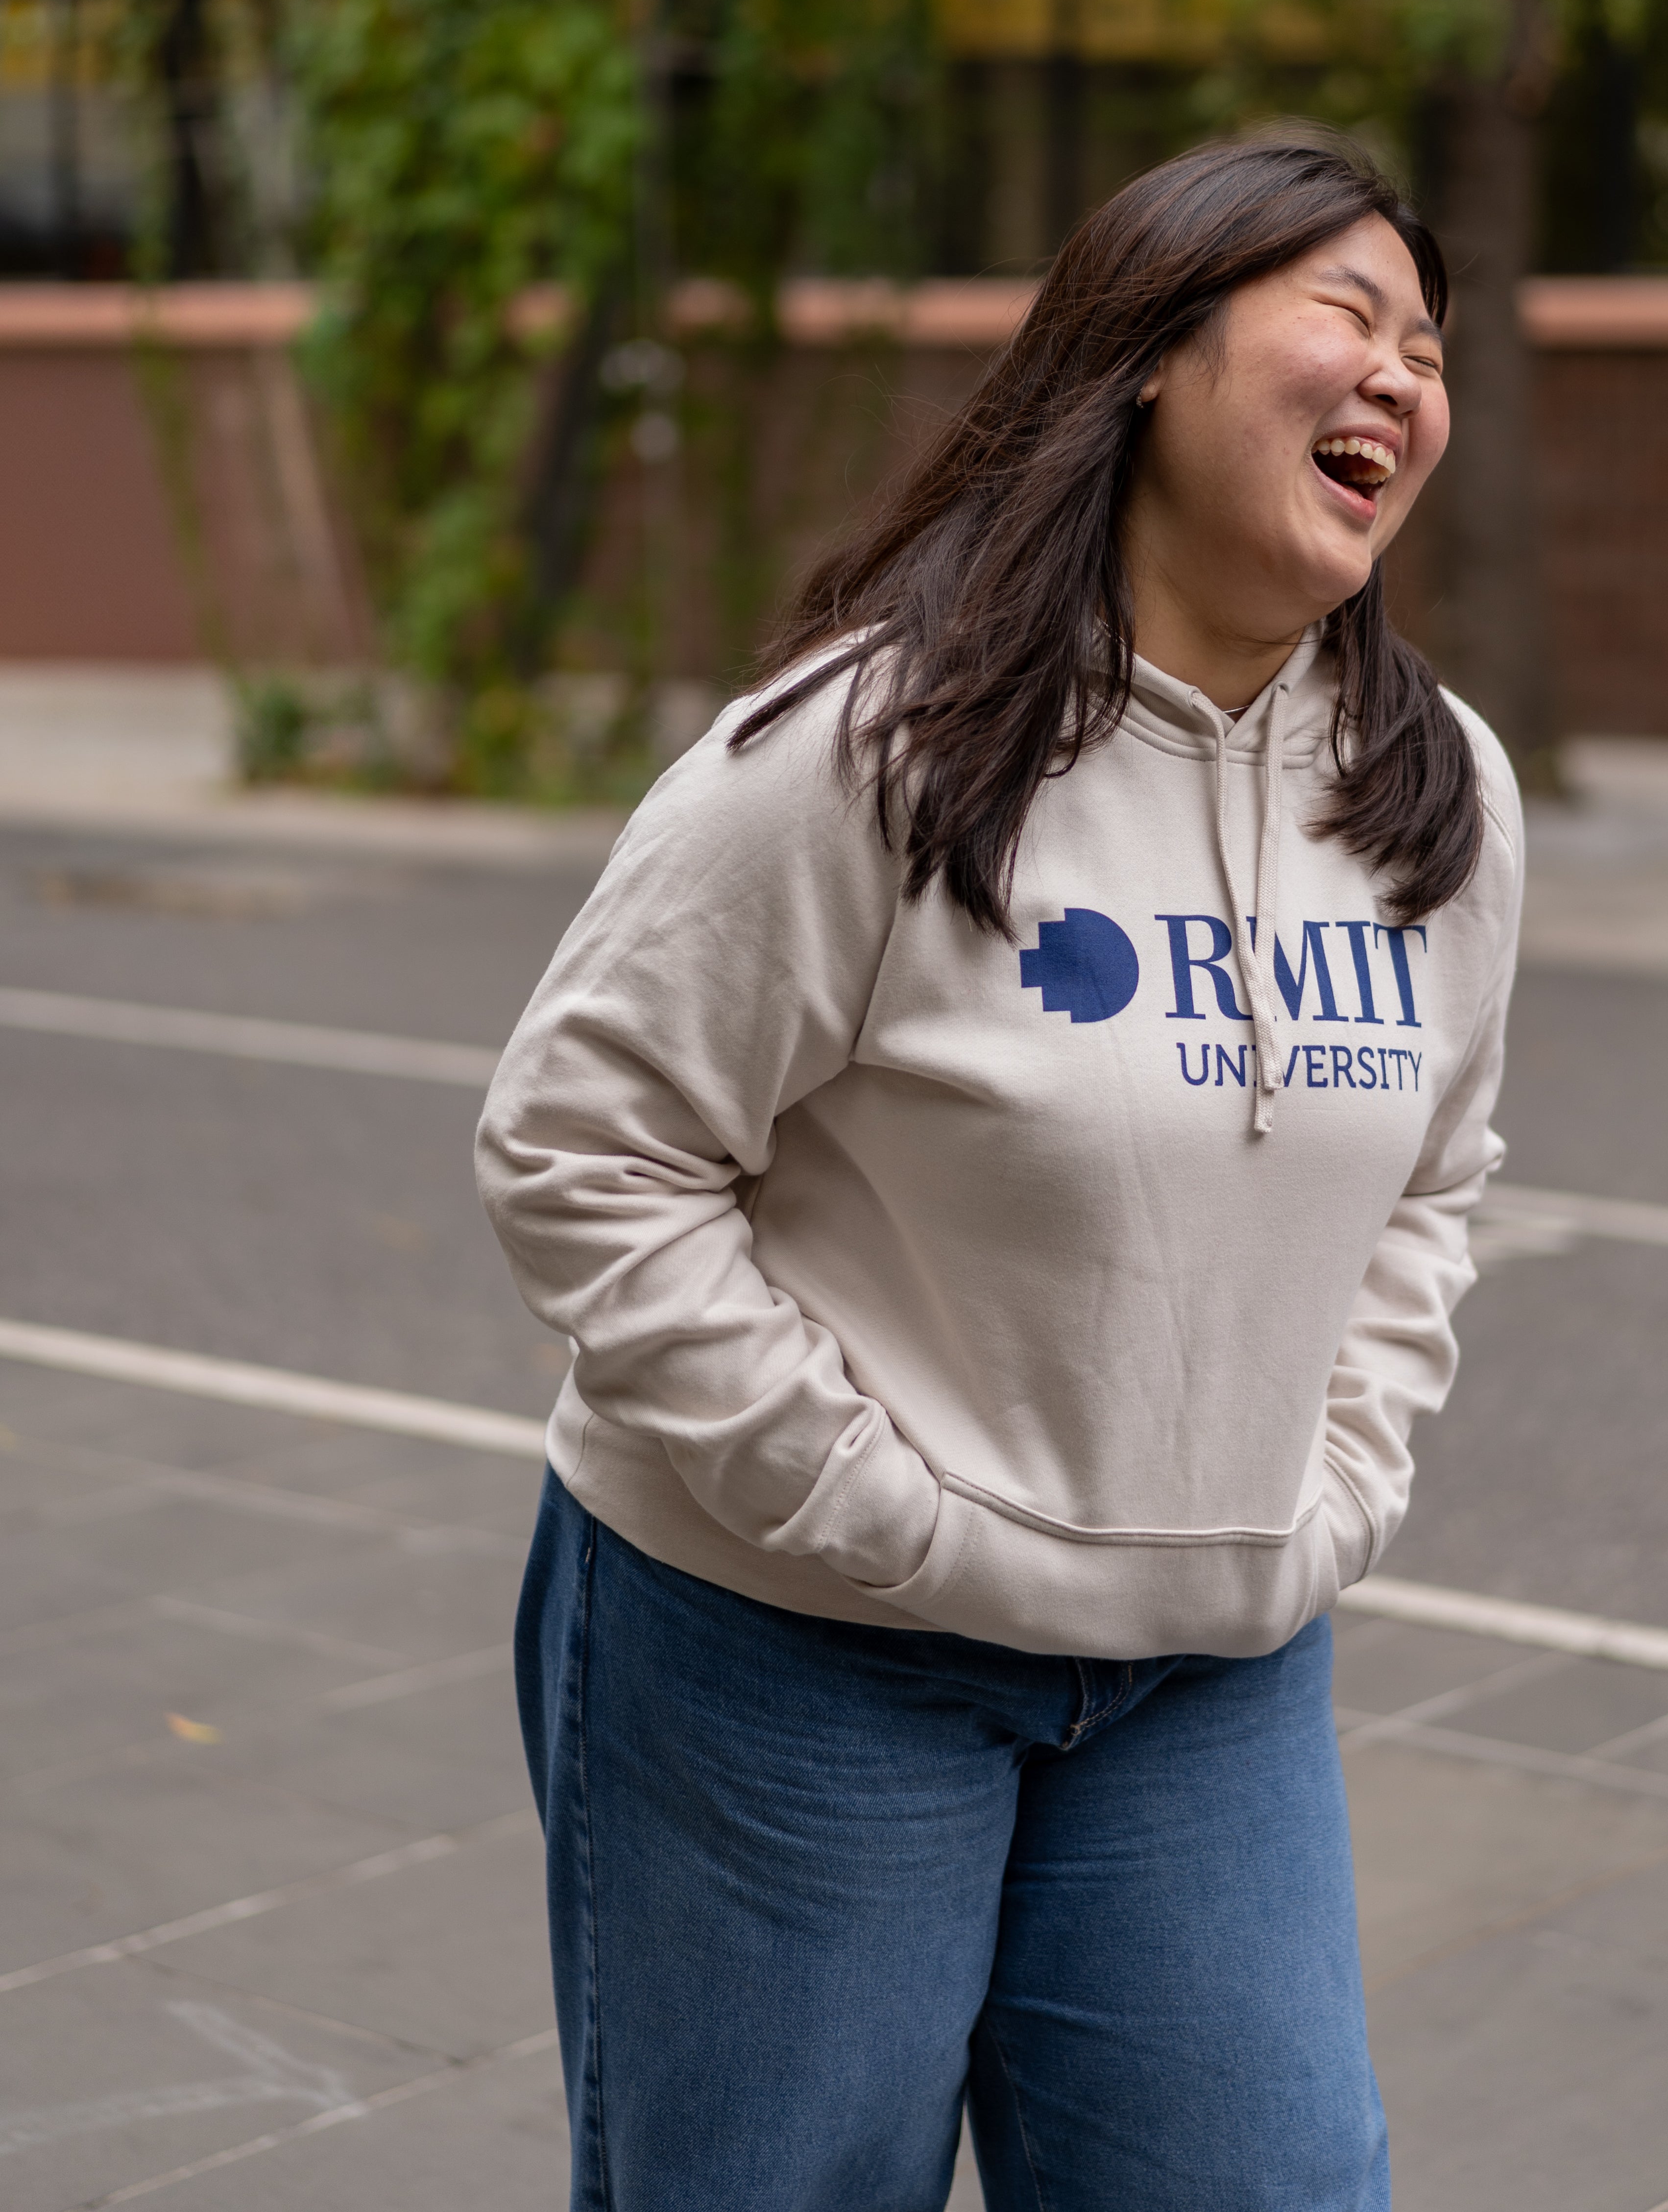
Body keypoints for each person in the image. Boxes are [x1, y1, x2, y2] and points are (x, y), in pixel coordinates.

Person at [479, 128, 1523, 2212]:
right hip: (793, 1643)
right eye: (1346, 313)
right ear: (1145, 349)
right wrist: (870, 1509)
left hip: (1209, 1666)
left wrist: (1329, 1488)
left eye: (1428, 341)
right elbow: (584, 1148)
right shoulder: (866, 749)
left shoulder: (1436, 790)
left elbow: (1436, 1177)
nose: (1401, 374)